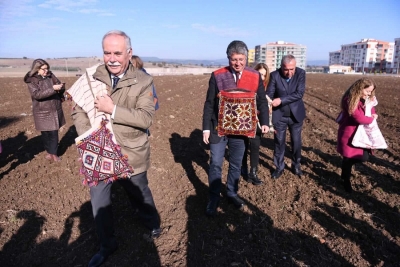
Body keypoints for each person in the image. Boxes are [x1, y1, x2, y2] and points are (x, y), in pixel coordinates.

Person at [69, 30, 161, 267]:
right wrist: (88, 134)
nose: (112, 58)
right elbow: (78, 110)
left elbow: (145, 119)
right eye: (107, 52)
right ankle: (107, 245)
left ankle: (151, 221)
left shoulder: (143, 80)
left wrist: (113, 110)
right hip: (97, 149)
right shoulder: (91, 78)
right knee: (98, 200)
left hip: (131, 149)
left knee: (138, 191)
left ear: (129, 53)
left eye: (117, 53)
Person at [202, 40, 270, 217]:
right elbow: (209, 103)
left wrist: (265, 121)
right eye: (234, 59)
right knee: (216, 163)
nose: (238, 63)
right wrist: (206, 129)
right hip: (218, 128)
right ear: (228, 58)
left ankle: (232, 192)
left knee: (235, 164)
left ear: (246, 58)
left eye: (241, 59)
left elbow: (262, 101)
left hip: (241, 131)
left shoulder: (255, 76)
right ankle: (214, 197)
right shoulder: (217, 75)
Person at [266, 55, 306, 179]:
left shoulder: (301, 73)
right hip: (280, 115)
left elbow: (299, 93)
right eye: (286, 69)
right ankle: (279, 167)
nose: (289, 72)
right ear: (281, 67)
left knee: (296, 141)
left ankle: (296, 165)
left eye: (292, 69)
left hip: (296, 115)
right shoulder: (274, 75)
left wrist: (281, 100)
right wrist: (269, 100)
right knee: (279, 142)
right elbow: (270, 93)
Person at [337, 78, 378, 193]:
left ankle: (345, 171)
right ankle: (345, 180)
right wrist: (371, 120)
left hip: (361, 134)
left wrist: (373, 114)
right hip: (350, 133)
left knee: (363, 157)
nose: (369, 94)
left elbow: (371, 109)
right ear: (360, 88)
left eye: (371, 92)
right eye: (367, 91)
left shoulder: (366, 99)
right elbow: (357, 117)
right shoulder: (349, 99)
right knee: (350, 157)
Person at [23, 58, 66, 162]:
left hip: (54, 108)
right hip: (42, 110)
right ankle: (49, 152)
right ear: (37, 69)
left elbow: (58, 85)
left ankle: (54, 153)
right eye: (44, 69)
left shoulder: (51, 76)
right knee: (46, 133)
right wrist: (53, 89)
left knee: (53, 133)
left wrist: (61, 87)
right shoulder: (31, 80)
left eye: (47, 68)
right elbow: (36, 95)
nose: (46, 71)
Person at [241, 63, 270, 185]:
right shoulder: (248, 84)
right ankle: (242, 170)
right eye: (260, 74)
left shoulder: (266, 87)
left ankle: (253, 173)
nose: (262, 77)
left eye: (264, 75)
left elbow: (263, 103)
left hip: (258, 121)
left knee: (255, 146)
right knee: (243, 146)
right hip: (244, 119)